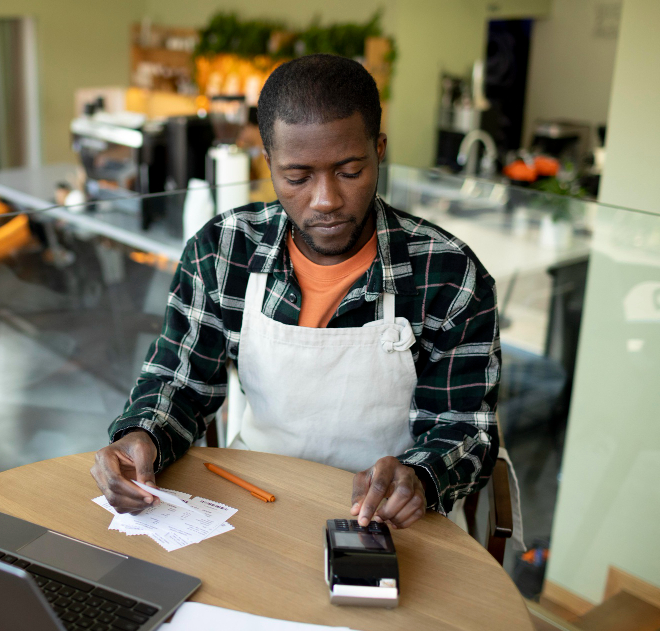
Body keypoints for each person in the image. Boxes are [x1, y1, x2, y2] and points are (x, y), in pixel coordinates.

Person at [91, 54, 500, 530]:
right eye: (297, 177)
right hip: (251, 502)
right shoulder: (225, 250)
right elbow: (179, 382)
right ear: (268, 162)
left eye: (349, 171)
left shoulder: (448, 273)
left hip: (384, 520)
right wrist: (142, 435)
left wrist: (421, 476)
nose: (325, 200)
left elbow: (465, 426)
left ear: (380, 150)